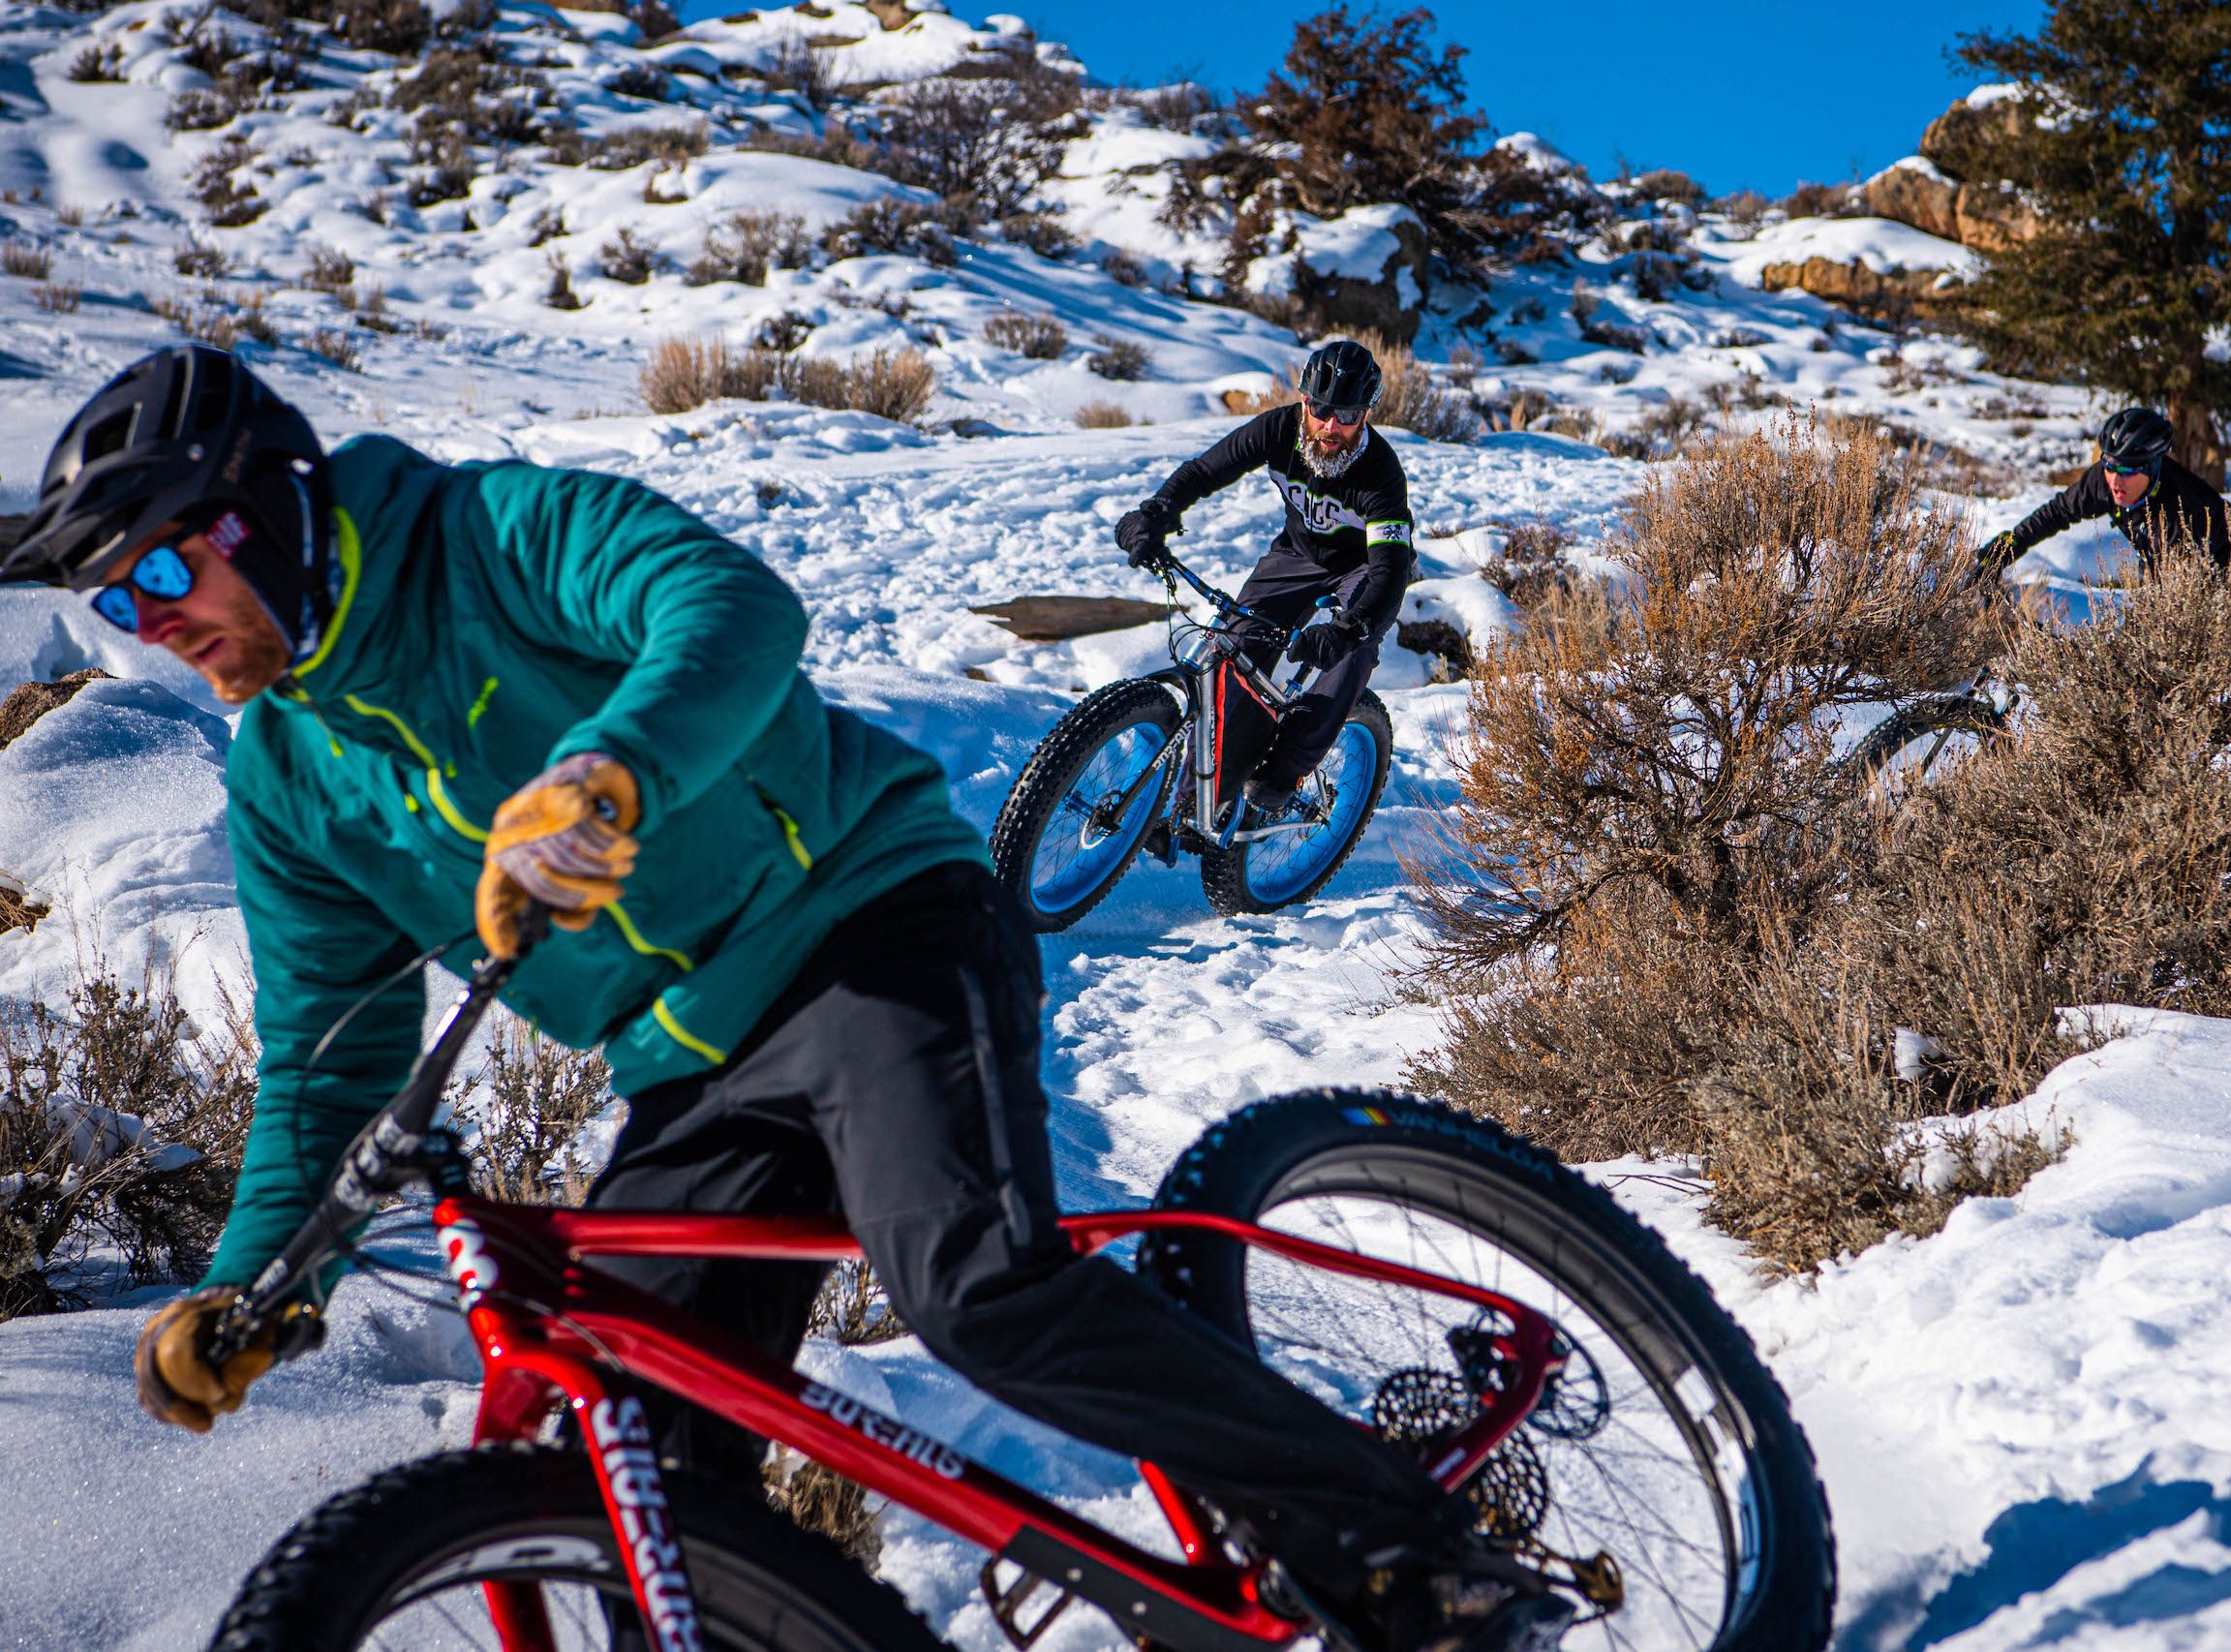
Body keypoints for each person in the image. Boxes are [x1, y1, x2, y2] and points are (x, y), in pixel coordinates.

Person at [6, 347, 1563, 1652]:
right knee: (635, 1468)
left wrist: (607, 770)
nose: (155, 622)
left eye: (160, 568)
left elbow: (726, 607)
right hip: (689, 1054)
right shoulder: (289, 779)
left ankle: (1413, 1547)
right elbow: (328, 1058)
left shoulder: (487, 533)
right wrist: (251, 1282)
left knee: (972, 1285)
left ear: (263, 508)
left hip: (874, 915)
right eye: (114, 605)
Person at [1115, 340, 1416, 824]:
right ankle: (1198, 804)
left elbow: (1390, 569)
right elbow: (1203, 471)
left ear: (1366, 415)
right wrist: (1155, 513)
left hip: (1362, 568)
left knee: (1354, 650)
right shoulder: (1278, 430)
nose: (1330, 426)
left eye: (1347, 414)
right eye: (1320, 409)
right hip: (1296, 556)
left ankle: (1284, 772)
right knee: (1232, 650)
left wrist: (1350, 627)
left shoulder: (1381, 473)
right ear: (1304, 402)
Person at [1970, 405, 2231, 581]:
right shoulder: (2104, 479)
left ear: (2151, 468)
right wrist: (2008, 547)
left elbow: (2175, 595)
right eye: (2110, 465)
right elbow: (2055, 513)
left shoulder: (2183, 511)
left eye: (2128, 470)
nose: (2115, 480)